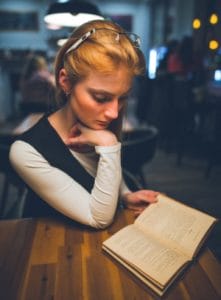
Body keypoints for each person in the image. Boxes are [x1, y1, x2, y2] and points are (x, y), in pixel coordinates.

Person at [9, 20, 159, 229]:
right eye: (100, 97)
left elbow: (102, 173)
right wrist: (108, 144)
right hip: (51, 252)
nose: (114, 113)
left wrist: (125, 195)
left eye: (123, 97)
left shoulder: (94, 122)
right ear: (66, 82)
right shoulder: (25, 152)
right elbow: (98, 218)